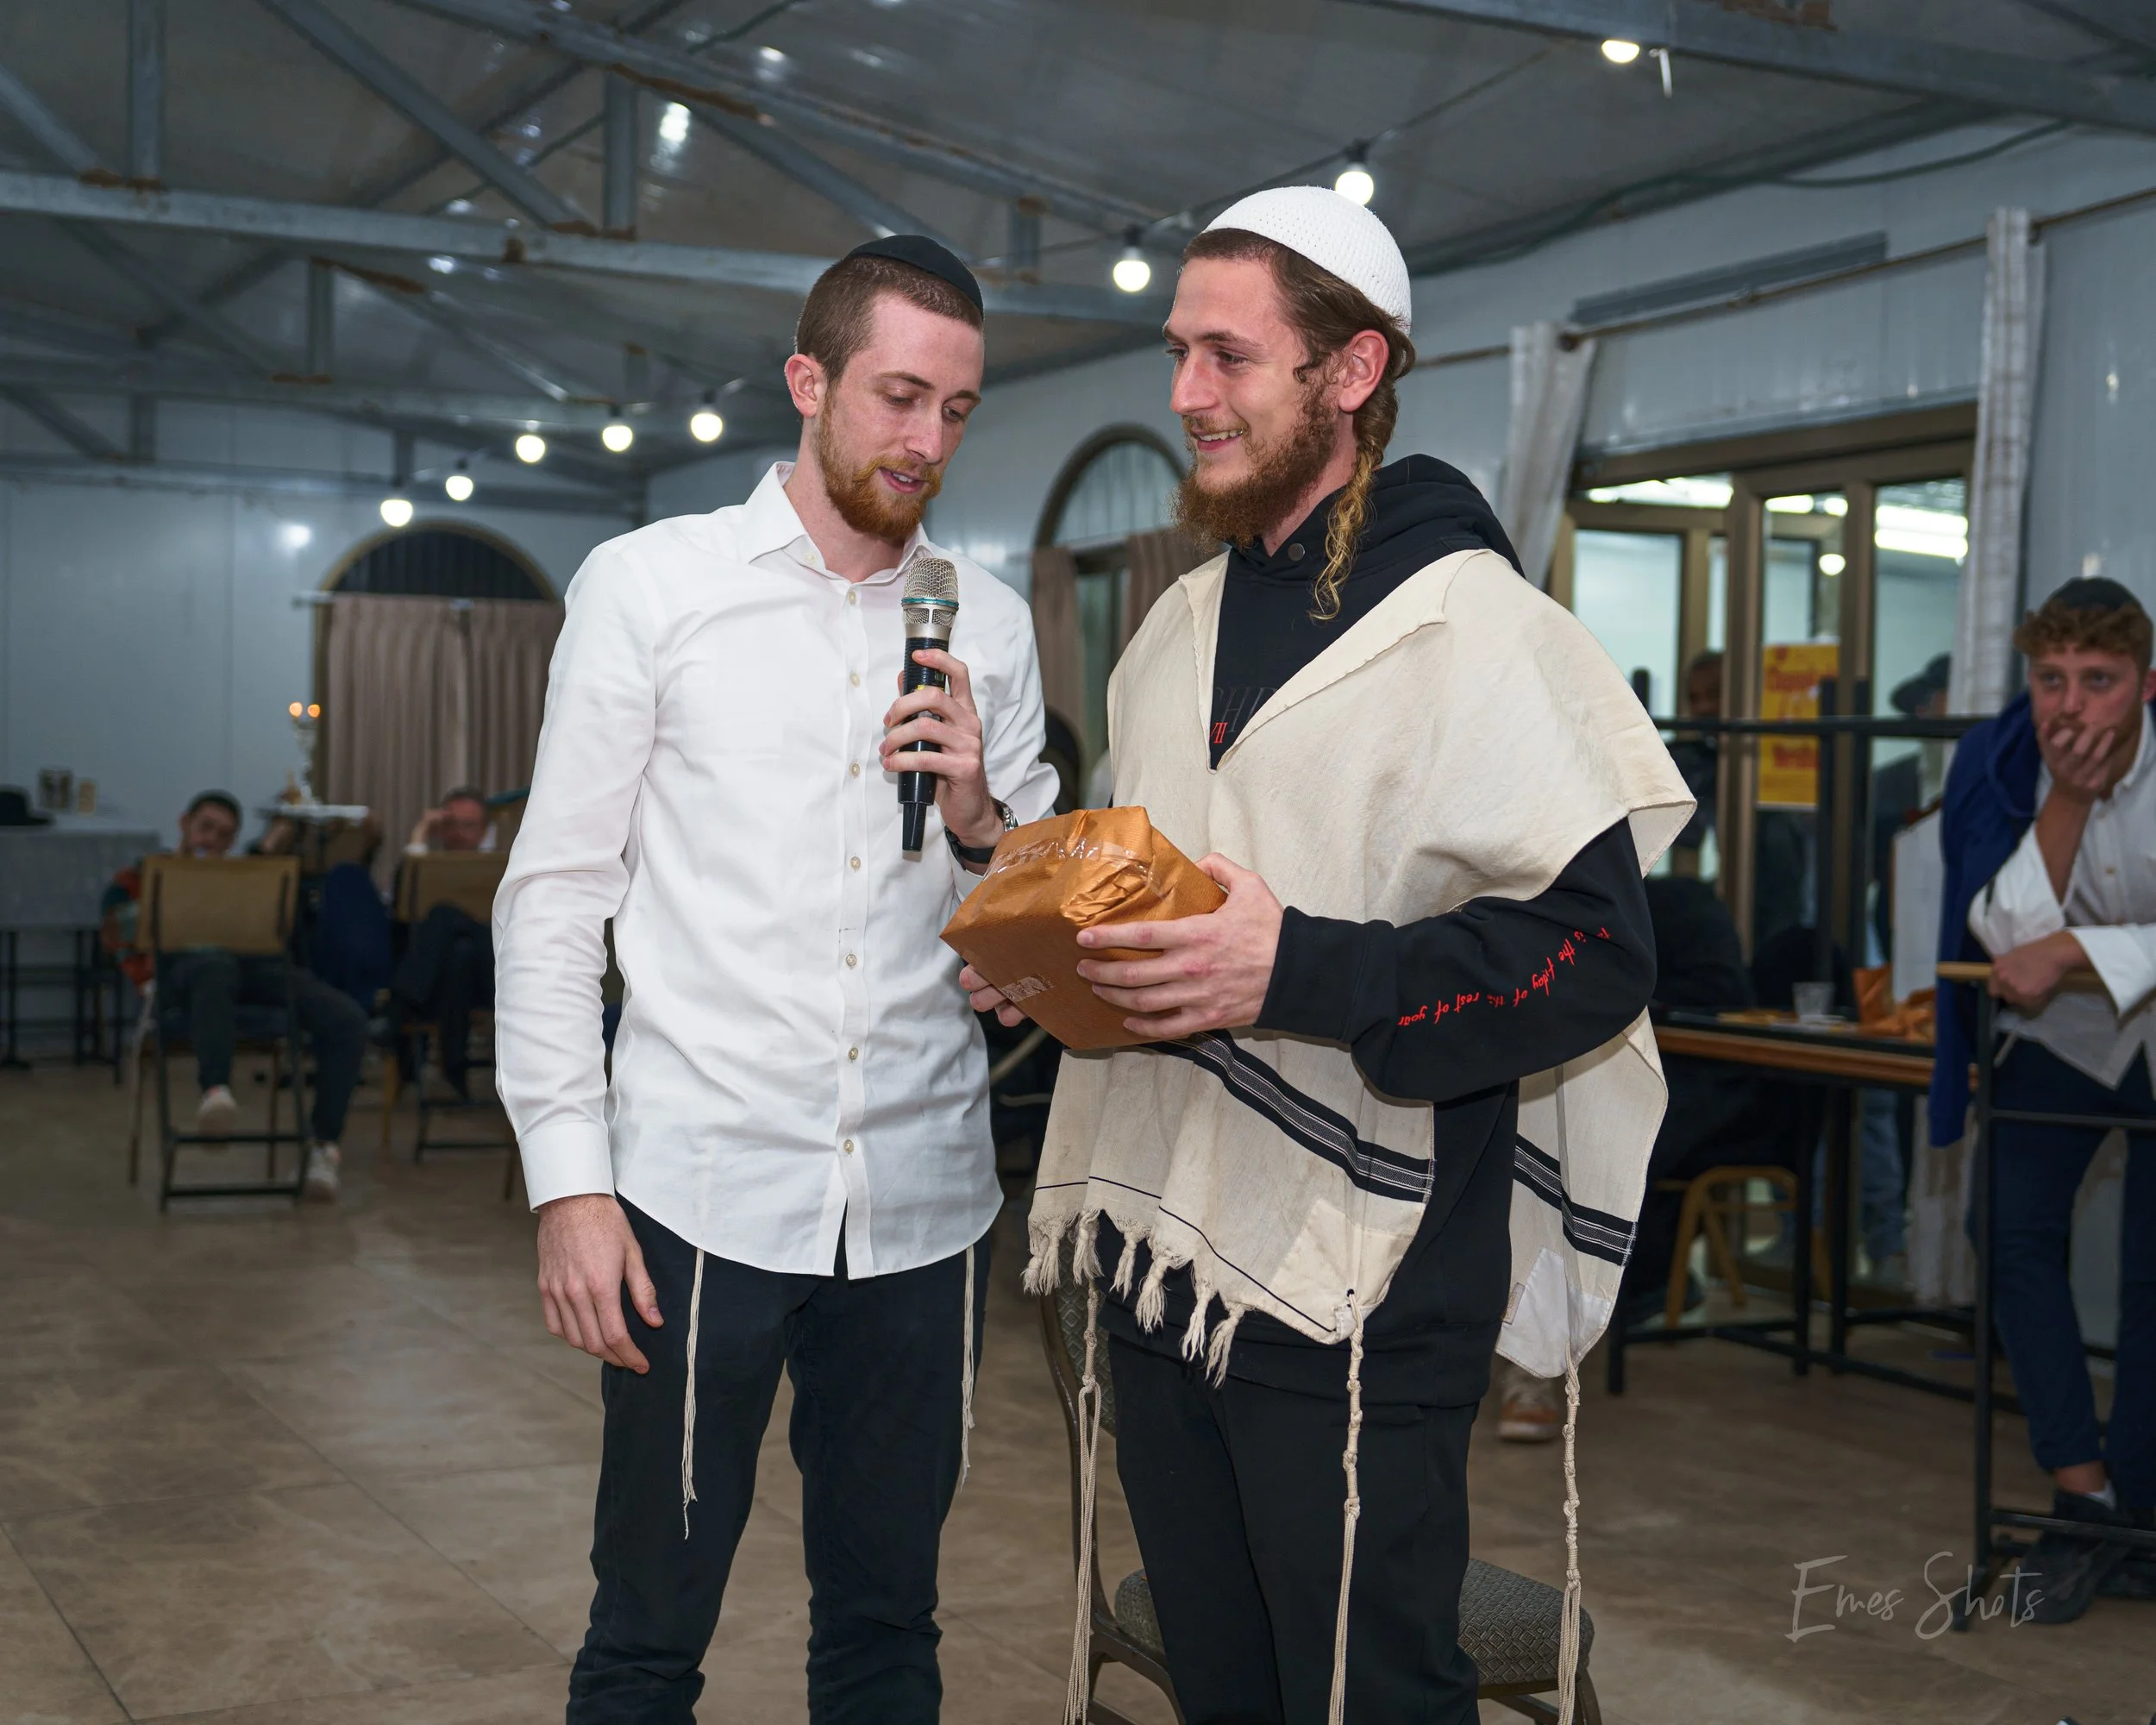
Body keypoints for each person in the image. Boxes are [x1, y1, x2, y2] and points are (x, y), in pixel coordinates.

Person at [981, 191, 1689, 1724]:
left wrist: (1293, 969)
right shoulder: (1173, 627)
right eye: (1179, 352)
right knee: (1224, 1688)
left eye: (1229, 357)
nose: (1187, 393)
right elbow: (1160, 891)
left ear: (1353, 371)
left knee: (1368, 1697)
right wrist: (1051, 952)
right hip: (1165, 1261)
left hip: (1362, 1292)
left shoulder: (1475, 628)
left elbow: (1592, 954)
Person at [494, 235, 1057, 1723]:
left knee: (888, 1627)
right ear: (808, 382)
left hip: (926, 1205)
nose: (927, 440)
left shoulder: (989, 625)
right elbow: (555, 900)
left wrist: (987, 823)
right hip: (700, 1194)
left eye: (957, 409)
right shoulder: (652, 587)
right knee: (647, 1636)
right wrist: (570, 1184)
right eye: (898, 397)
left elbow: (1030, 937)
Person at [1939, 577, 2156, 1622]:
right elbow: (2000, 935)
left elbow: (2042, 949)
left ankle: (2139, 1501)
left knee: (2151, 1270)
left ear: (2146, 685)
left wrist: (2074, 946)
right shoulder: (2006, 761)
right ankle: (2084, 1490)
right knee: (2005, 1228)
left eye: (2097, 680)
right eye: (2050, 678)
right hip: (2062, 1034)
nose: (2070, 706)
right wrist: (2065, 798)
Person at [100, 789, 366, 1200]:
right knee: (214, 965)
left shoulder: (240, 879)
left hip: (249, 970)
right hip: (179, 976)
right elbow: (115, 928)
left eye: (224, 836)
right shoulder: (143, 874)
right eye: (205, 828)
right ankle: (216, 1091)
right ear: (184, 824)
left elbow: (277, 937)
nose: (212, 840)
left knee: (346, 1019)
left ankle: (322, 1148)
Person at [371, 785, 495, 1096]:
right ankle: (455, 1073)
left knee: (443, 915)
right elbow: (401, 905)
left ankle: (397, 1011)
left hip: (493, 974)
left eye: (468, 825)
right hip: (443, 980)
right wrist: (421, 832)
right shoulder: (426, 869)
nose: (458, 833)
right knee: (458, 954)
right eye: (450, 824)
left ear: (484, 831)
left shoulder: (500, 868)